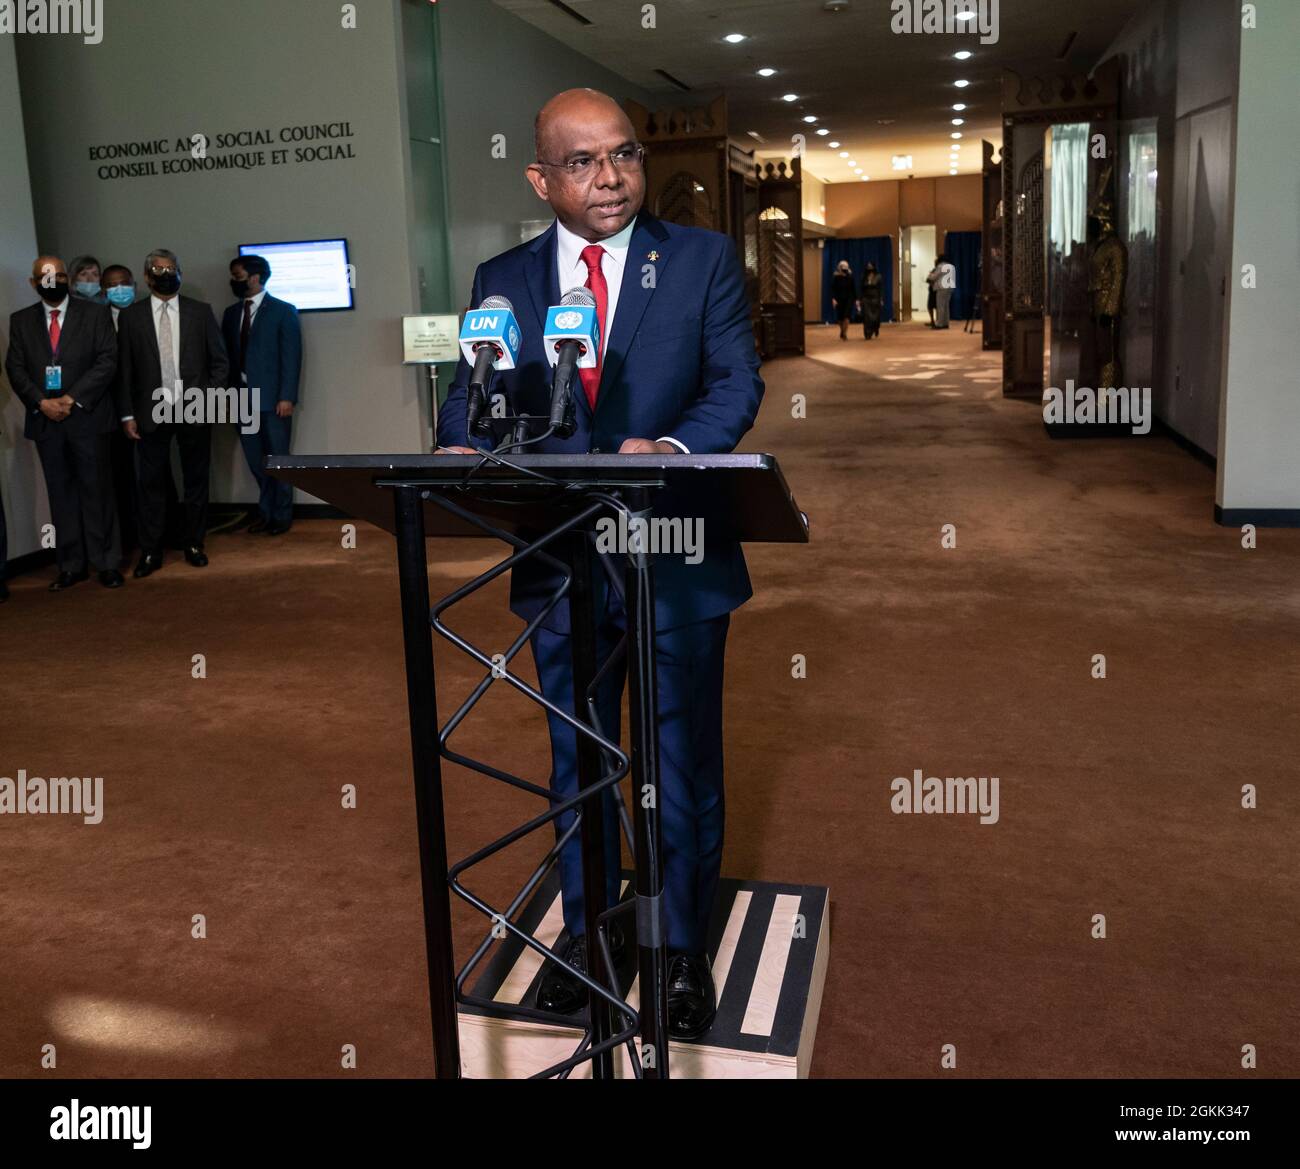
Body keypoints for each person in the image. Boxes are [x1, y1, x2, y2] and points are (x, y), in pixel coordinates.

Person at [436, 87, 764, 1041]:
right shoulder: (503, 279)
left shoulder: (699, 259)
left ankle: (673, 948)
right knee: (575, 761)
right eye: (581, 162)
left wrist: (670, 448)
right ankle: (586, 939)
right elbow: (471, 396)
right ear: (541, 177)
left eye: (621, 154)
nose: (609, 176)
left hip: (674, 553)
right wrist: (466, 441)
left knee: (676, 761)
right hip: (560, 559)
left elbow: (734, 380)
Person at [3, 255, 123, 590]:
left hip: (87, 415)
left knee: (97, 491)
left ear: (66, 279)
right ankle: (71, 564)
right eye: (43, 276)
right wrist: (42, 401)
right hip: (46, 419)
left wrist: (70, 399)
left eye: (56, 275)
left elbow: (106, 360)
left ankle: (106, 562)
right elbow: (15, 368)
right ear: (32, 283)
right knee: (61, 494)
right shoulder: (21, 320)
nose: (51, 280)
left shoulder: (95, 313)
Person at [115, 248, 228, 577]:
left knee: (196, 479)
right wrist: (126, 414)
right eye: (159, 270)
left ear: (180, 271)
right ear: (148, 277)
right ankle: (151, 550)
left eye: (172, 268)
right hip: (150, 411)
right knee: (150, 482)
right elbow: (124, 371)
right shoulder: (131, 316)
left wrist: (209, 398)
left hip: (194, 407)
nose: (166, 274)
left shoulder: (200, 312)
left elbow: (220, 362)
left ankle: (194, 543)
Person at [221, 254, 302, 535]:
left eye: (238, 275)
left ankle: (281, 515)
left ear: (255, 277)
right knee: (255, 460)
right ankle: (266, 512)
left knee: (279, 459)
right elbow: (226, 360)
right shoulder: (231, 314)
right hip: (241, 399)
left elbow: (291, 358)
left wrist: (287, 396)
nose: (233, 281)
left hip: (274, 400)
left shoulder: (283, 310)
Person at [101, 264, 140, 553]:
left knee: (156, 474)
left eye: (124, 283)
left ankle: (163, 532)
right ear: (104, 291)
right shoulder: (94, 320)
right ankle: (127, 537)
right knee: (119, 476)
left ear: (135, 284)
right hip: (109, 412)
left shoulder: (145, 315)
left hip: (149, 409)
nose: (119, 289)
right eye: (112, 285)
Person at [831, 258, 856, 340]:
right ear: (839, 267)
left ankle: (844, 333)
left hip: (849, 299)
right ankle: (842, 331)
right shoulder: (836, 277)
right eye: (843, 267)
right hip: (839, 299)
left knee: (847, 316)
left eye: (846, 266)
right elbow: (833, 289)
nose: (844, 268)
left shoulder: (850, 277)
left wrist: (856, 299)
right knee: (840, 318)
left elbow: (853, 289)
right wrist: (833, 299)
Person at [861, 261, 884, 339]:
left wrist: (881, 299)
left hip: (875, 298)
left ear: (874, 267)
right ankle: (867, 333)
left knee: (875, 317)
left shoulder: (878, 276)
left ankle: (875, 328)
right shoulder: (864, 276)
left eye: (871, 266)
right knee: (867, 317)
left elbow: (880, 289)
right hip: (866, 299)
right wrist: (859, 299)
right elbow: (861, 288)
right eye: (868, 267)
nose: (869, 268)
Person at [933, 252, 956, 329]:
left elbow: (934, 277)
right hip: (949, 288)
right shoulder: (951, 266)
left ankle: (940, 324)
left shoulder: (940, 266)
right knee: (946, 306)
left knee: (940, 306)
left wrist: (930, 275)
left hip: (942, 288)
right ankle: (946, 323)